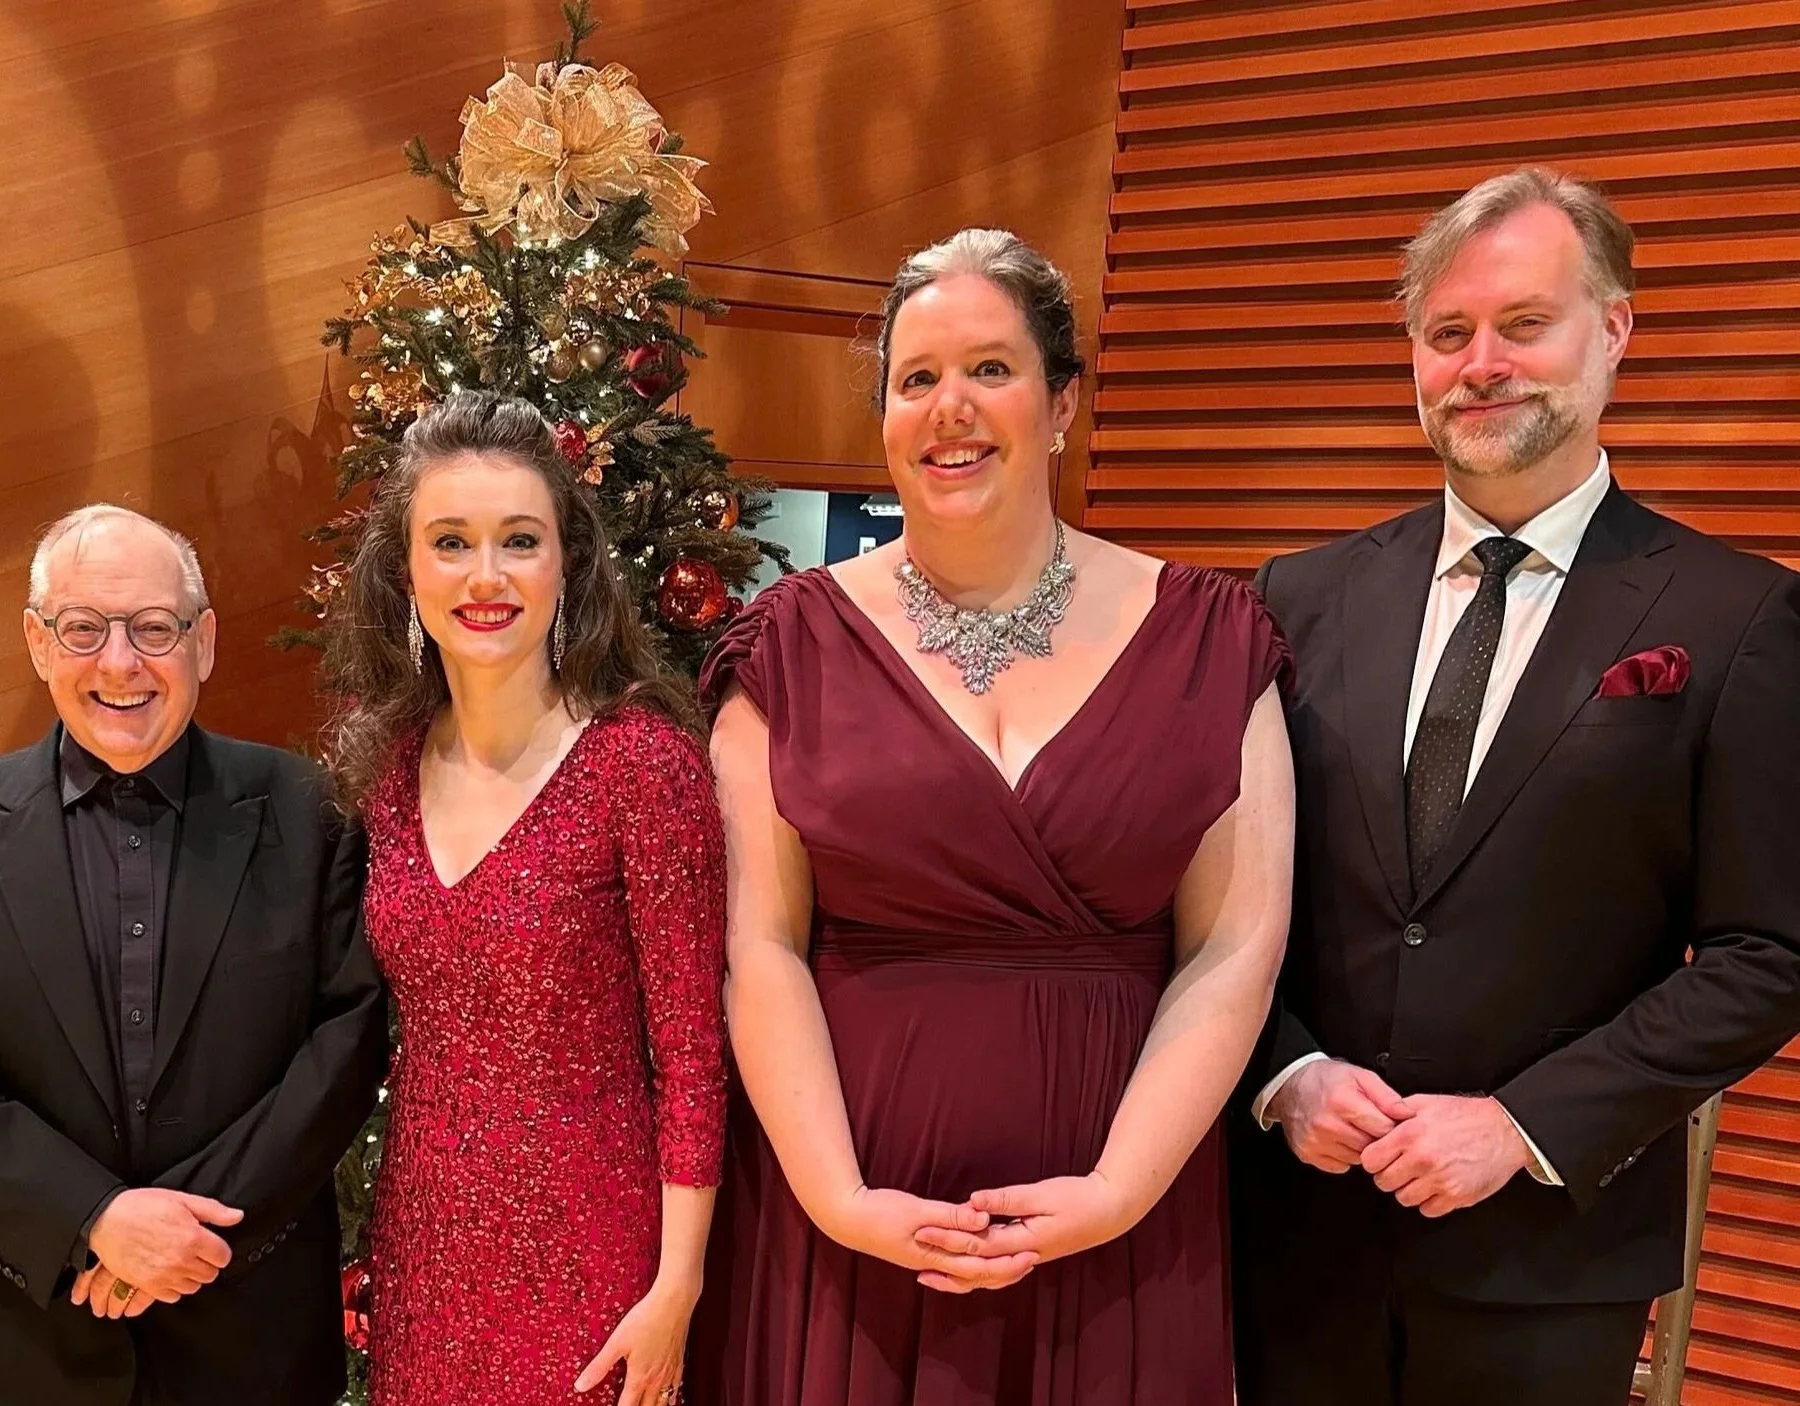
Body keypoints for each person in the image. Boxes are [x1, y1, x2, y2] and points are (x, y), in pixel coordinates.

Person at [689, 229, 1294, 1406]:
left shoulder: (1213, 638)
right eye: (915, 379)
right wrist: (838, 1198)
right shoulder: (785, 644)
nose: (948, 409)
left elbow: (1233, 945)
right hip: (843, 1216)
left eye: (989, 370)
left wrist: (1121, 1186)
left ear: (1062, 403)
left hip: (1120, 1223)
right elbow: (757, 943)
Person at [1233, 167, 1800, 1406]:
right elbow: (1213, 899)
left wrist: (1526, 1122)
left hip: (1550, 1258)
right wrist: (1284, 1072)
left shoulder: (1737, 613)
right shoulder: (1295, 596)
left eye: (1522, 323)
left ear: (1614, 329)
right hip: (1292, 1241)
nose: (1481, 361)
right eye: (1446, 333)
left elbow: (1770, 948)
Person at [0, 505, 388, 1405]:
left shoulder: (313, 812)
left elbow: (344, 1044)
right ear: (37, 642)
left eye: (153, 628)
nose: (119, 664)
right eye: (83, 629)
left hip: (249, 1330)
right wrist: (93, 1220)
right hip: (33, 1341)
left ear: (204, 642)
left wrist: (183, 1240)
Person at [319, 390, 727, 1406]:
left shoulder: (640, 766)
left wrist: (677, 1283)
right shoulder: (386, 771)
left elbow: (690, 1056)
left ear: (568, 564)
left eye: (519, 540)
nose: (485, 576)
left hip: (599, 1245)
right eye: (450, 540)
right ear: (407, 568)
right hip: (427, 1238)